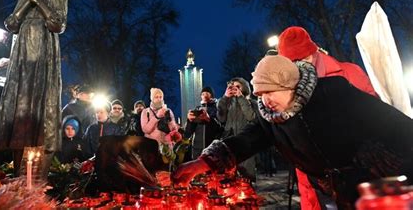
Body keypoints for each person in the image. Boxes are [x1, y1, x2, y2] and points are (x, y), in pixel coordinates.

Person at [172, 55, 413, 209]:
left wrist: (383, 175)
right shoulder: (270, 118)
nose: (264, 101)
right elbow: (245, 140)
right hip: (340, 193)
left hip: (385, 184)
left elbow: (392, 124)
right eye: (259, 95)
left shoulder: (333, 94)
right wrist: (202, 164)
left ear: (290, 86)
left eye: (270, 92)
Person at [278, 26, 378, 209]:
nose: (298, 67)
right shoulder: (287, 92)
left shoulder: (349, 73)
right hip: (315, 185)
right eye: (291, 63)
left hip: (358, 175)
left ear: (313, 52)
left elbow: (377, 119)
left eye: (302, 59)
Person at [0, 0, 68, 177]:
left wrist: (40, 3)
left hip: (46, 57)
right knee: (21, 109)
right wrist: (28, 1)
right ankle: (20, 178)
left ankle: (39, 178)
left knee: (44, 109)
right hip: (23, 60)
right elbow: (11, 24)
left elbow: (58, 24)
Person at [217, 77, 257, 182]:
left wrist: (241, 98)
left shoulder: (251, 102)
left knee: (245, 178)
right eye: (233, 87)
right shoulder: (227, 103)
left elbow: (251, 117)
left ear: (244, 88)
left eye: (238, 87)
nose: (235, 89)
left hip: (245, 142)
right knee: (228, 176)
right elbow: (221, 118)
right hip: (229, 141)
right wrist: (225, 97)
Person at [184, 86, 223, 159]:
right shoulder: (197, 109)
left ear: (211, 95)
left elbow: (220, 128)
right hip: (197, 149)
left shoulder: (218, 108)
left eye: (207, 93)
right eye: (202, 94)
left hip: (212, 148)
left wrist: (208, 119)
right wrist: (189, 121)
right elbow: (187, 133)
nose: (204, 96)